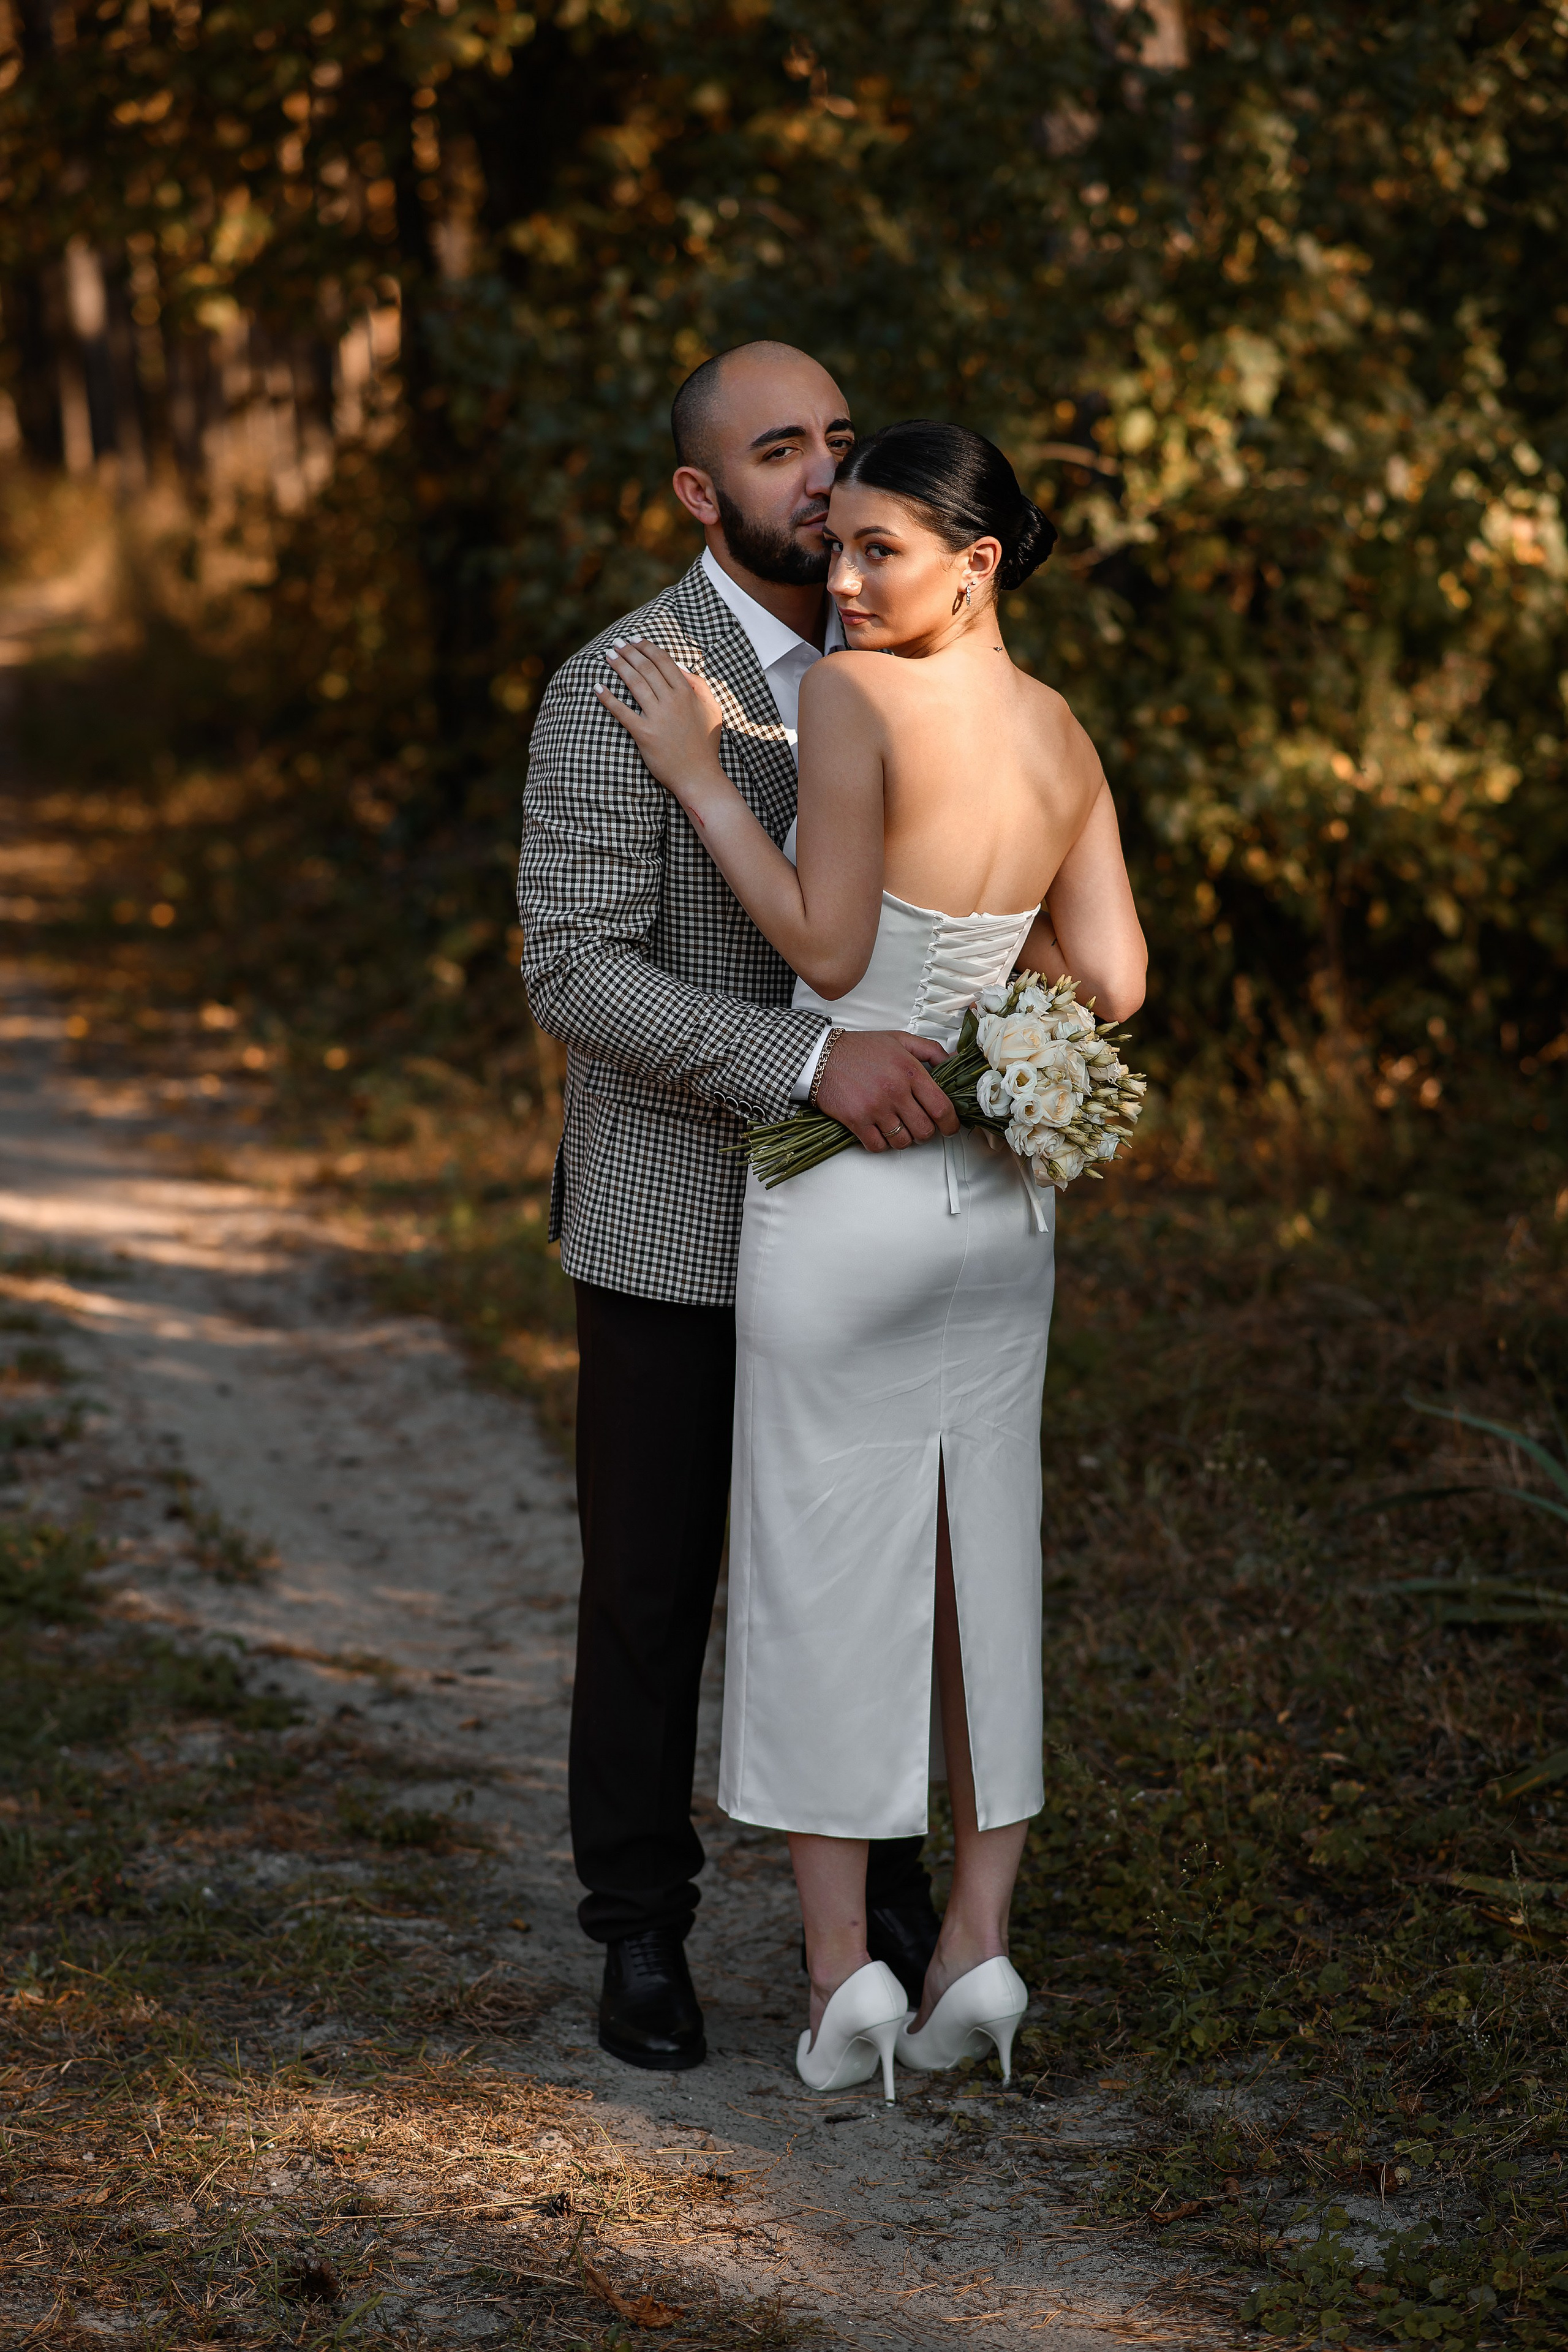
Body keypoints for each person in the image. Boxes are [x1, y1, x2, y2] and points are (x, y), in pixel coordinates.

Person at [597, 419, 1147, 2097]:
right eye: (833, 545)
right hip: (1001, 1207)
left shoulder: (849, 700)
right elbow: (1112, 981)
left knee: (821, 1564)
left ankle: (847, 1982)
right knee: (988, 1560)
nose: (841, 579)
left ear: (978, 563)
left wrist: (701, 773)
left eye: (880, 551)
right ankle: (978, 1944)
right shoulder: (1057, 732)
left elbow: (831, 948)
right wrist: (992, 1009)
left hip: (845, 1193)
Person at [518, 347, 959, 2073]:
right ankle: (639, 1928)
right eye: (781, 451)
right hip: (667, 1217)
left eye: (839, 442)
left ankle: (897, 1909)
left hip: (871, 1214)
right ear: (701, 493)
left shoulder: (913, 655)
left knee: (864, 1569)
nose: (823, 478)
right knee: (650, 1587)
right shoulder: (616, 684)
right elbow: (576, 969)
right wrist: (802, 1062)